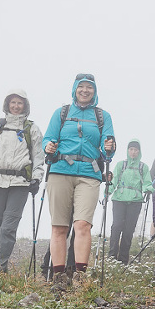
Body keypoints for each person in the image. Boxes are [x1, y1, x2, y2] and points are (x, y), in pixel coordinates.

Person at [43, 74, 115, 290]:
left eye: (89, 87)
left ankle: (79, 277)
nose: (85, 90)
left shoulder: (102, 116)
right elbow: (48, 138)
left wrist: (110, 147)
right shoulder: (62, 113)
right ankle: (58, 277)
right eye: (81, 87)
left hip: (89, 173)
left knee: (82, 224)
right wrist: (48, 146)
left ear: (95, 91)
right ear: (75, 89)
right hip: (60, 170)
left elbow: (109, 147)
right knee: (59, 226)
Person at [0, 89, 46, 274]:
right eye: (13, 102)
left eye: (19, 103)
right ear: (7, 104)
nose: (16, 106)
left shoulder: (32, 129)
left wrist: (37, 178)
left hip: (20, 183)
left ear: (25, 105)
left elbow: (39, 156)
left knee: (8, 228)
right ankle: (1, 267)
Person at [107, 139, 154, 264]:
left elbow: (147, 182)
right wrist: (108, 191)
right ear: (128, 150)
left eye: (136, 150)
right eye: (131, 149)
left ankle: (123, 259)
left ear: (139, 151)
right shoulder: (121, 165)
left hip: (135, 201)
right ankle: (112, 256)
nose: (133, 152)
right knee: (116, 226)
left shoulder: (143, 167)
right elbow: (114, 181)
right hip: (119, 199)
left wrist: (148, 189)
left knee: (128, 230)